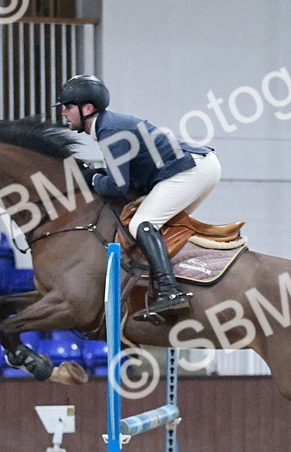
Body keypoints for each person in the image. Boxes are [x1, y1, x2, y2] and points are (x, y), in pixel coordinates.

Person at [56, 74, 221, 322]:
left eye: (67, 107)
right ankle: (171, 285)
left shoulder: (108, 130)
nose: (63, 113)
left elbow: (118, 185)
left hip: (192, 170)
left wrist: (91, 179)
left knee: (142, 223)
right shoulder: (109, 126)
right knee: (160, 227)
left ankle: (171, 292)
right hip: (197, 168)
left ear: (87, 108)